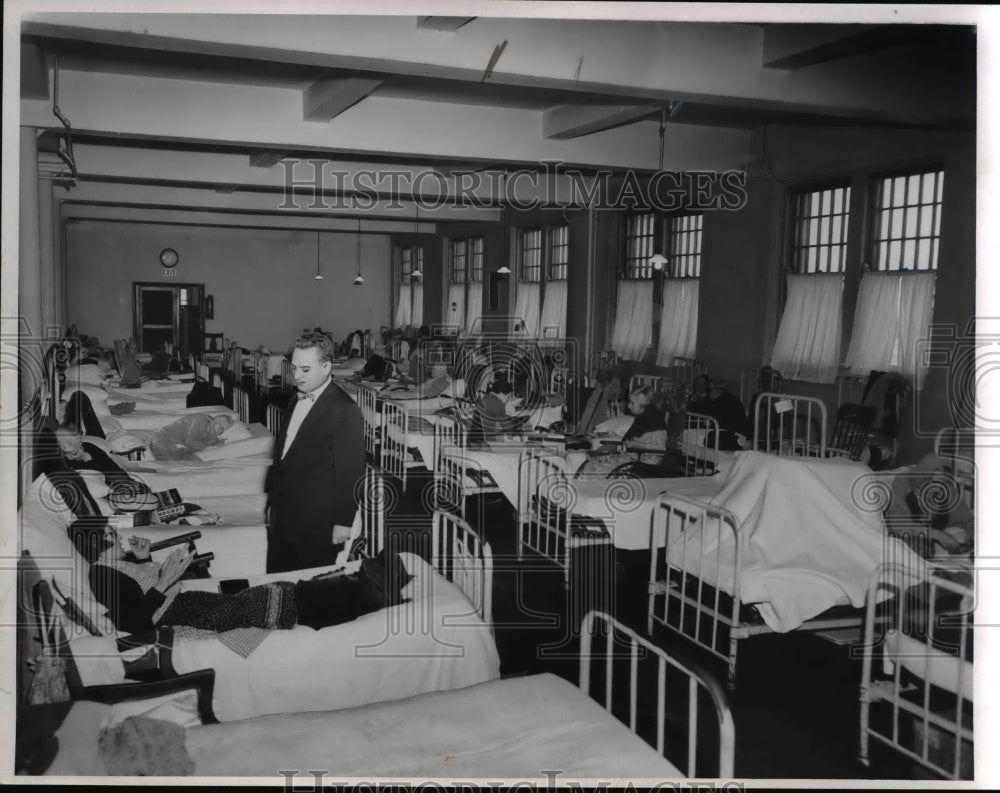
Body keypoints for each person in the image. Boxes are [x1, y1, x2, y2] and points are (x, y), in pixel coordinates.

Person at [69, 522, 413, 635]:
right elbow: (131, 620)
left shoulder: (112, 568)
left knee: (278, 594)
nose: (119, 537)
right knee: (274, 602)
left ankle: (358, 585)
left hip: (181, 605)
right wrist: (163, 581)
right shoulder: (100, 575)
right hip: (179, 616)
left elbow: (142, 592)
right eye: (111, 535)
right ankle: (365, 590)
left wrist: (148, 562)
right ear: (97, 545)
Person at [267, 331, 365, 574]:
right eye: (294, 369)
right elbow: (284, 456)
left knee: (309, 592)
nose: (297, 376)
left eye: (305, 370)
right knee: (277, 586)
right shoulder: (296, 399)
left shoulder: (345, 410)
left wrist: (343, 523)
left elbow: (351, 472)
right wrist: (272, 504)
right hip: (284, 515)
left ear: (326, 367)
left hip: (316, 523)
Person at [693, 377, 751, 451]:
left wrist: (709, 423)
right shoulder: (728, 399)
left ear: (716, 390)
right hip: (734, 432)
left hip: (731, 434)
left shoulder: (725, 402)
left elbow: (721, 421)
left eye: (708, 390)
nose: (707, 393)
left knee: (709, 437)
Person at [149, 413, 234, 461]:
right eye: (221, 428)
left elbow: (206, 442)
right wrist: (207, 445)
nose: (219, 433)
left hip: (177, 446)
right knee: (171, 469)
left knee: (197, 463)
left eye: (222, 431)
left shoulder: (208, 432)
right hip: (162, 441)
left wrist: (217, 442)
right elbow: (189, 441)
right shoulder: (200, 419)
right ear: (215, 421)